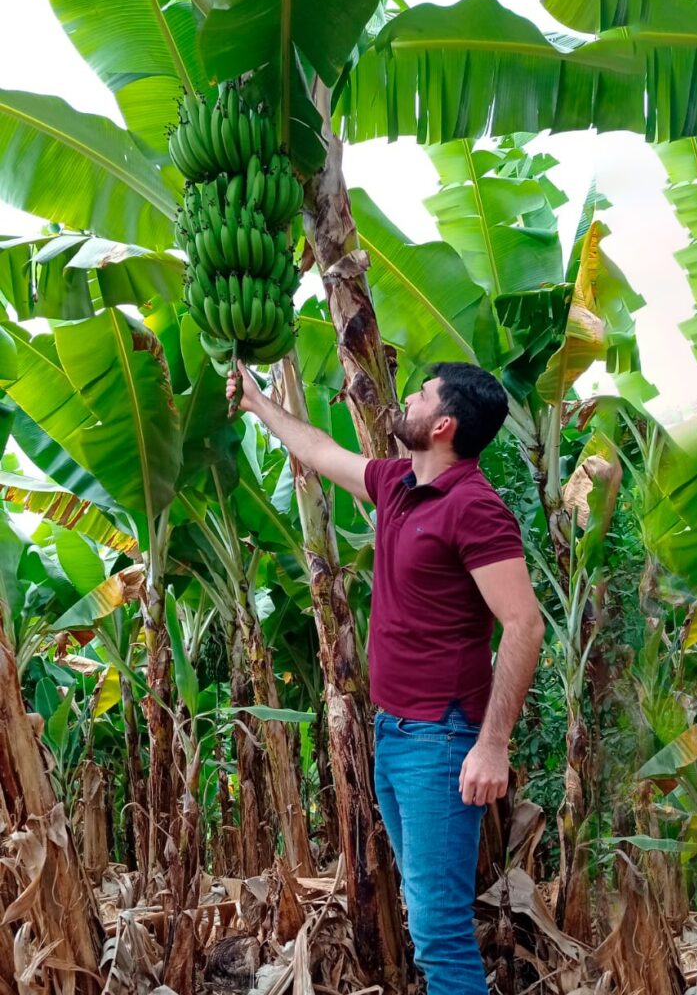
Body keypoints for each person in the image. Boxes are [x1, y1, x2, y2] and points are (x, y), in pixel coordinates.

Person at [226, 360, 544, 995]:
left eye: (421, 395)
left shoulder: (474, 509)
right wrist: (261, 405)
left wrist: (493, 743)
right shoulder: (397, 482)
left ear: (444, 424)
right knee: (427, 915)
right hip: (393, 732)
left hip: (442, 740)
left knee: (439, 931)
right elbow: (320, 450)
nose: (407, 399)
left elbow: (525, 624)